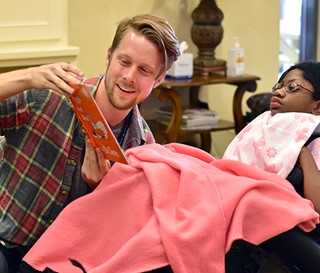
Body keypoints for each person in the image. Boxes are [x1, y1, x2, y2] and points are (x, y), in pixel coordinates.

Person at [0, 13, 180, 272]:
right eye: (124, 61)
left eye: (144, 70)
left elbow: (121, 237)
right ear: (109, 56)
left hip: (64, 262)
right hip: (7, 243)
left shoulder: (143, 148)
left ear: (158, 80)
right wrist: (27, 77)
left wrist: (103, 191)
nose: (129, 76)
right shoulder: (48, 95)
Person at [223, 61, 320, 213]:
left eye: (292, 87)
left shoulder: (315, 138)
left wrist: (301, 151)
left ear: (317, 107)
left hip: (287, 215)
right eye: (279, 86)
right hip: (237, 197)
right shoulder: (263, 123)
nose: (278, 92)